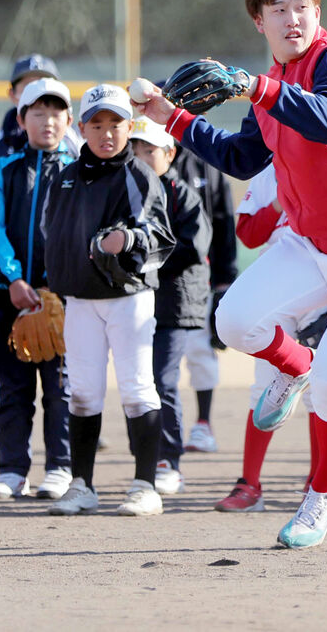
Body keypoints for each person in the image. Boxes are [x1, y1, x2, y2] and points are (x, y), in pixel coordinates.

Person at [131, 0, 327, 549]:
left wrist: (255, 87)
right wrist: (172, 118)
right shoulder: (270, 84)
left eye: (302, 7)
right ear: (259, 22)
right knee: (234, 321)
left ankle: (322, 496)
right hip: (311, 242)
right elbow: (243, 158)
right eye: (278, 10)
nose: (293, 19)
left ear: (318, 13)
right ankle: (296, 365)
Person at [42, 84, 174, 517]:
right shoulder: (64, 177)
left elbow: (159, 235)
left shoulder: (138, 175)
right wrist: (53, 287)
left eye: (115, 123)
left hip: (128, 298)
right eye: (96, 124)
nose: (106, 133)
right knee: (82, 393)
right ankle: (82, 485)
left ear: (129, 126)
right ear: (81, 128)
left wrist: (128, 238)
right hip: (80, 300)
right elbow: (52, 234)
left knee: (137, 389)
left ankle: (145, 486)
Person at [0, 77, 76, 501]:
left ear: (69, 119)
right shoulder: (6, 169)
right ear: (22, 119)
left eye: (56, 112)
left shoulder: (80, 170)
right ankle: (13, 469)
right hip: (10, 296)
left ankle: (59, 467)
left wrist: (59, 286)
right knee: (13, 389)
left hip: (64, 297)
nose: (47, 120)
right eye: (38, 111)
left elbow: (81, 233)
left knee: (60, 389)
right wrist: (13, 279)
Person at [212, 164, 326, 513]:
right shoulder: (266, 173)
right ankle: (249, 485)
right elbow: (248, 234)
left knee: (323, 392)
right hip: (274, 286)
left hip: (323, 285)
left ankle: (316, 485)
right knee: (265, 386)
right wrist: (279, 201)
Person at [129, 117, 210, 496]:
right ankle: (145, 460)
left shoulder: (181, 193)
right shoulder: (126, 190)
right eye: (137, 149)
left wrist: (147, 260)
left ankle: (168, 461)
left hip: (175, 303)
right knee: (138, 384)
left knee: (162, 380)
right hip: (134, 302)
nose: (142, 157)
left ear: (169, 152)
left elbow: (196, 245)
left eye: (150, 149)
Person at [0, 54, 81, 288]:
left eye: (44, 81)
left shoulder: (73, 148)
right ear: (13, 95)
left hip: (56, 281)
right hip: (9, 278)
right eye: (28, 85)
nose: (47, 121)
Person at [169, 143, 238, 454]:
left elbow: (224, 221)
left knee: (199, 349)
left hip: (199, 276)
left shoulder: (208, 158)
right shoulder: (143, 148)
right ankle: (158, 427)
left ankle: (203, 425)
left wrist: (225, 283)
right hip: (151, 274)